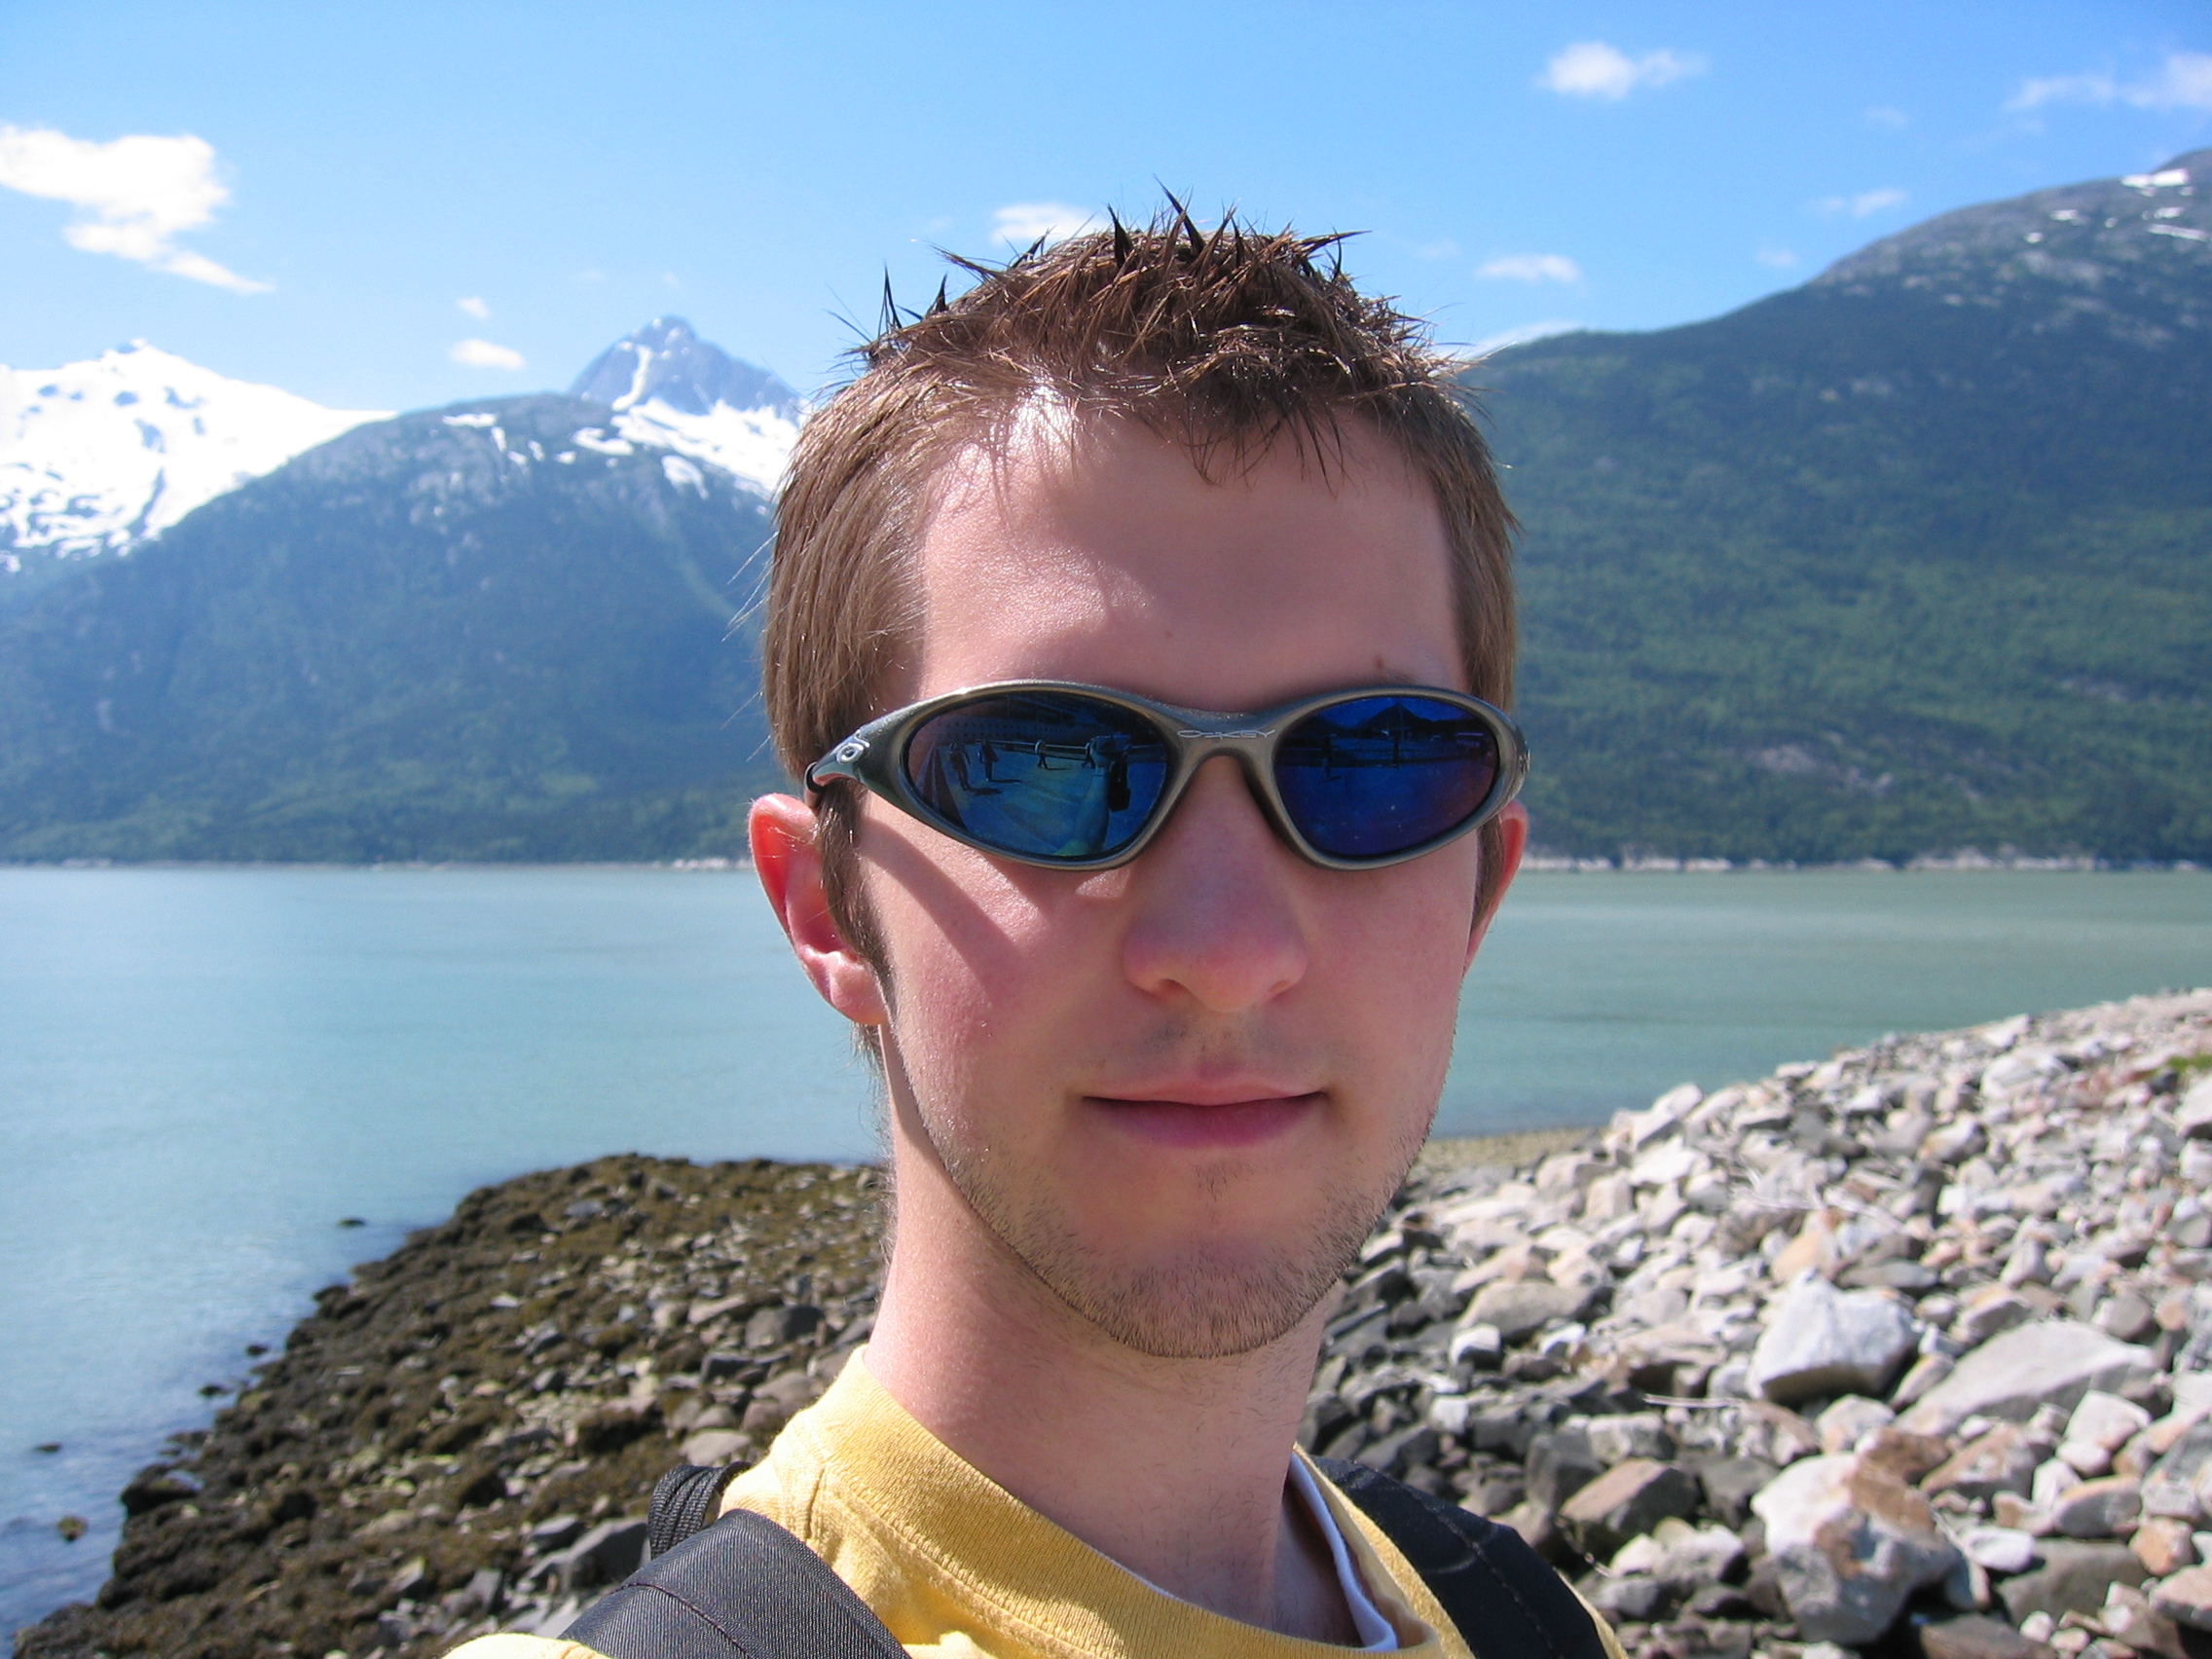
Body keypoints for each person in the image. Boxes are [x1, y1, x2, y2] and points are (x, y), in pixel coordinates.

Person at [454, 210, 1613, 1659]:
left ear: (1479, 891)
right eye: (1049, 769)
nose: (1228, 946)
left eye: (1372, 768)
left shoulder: (1530, 1622)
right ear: (828, 903)